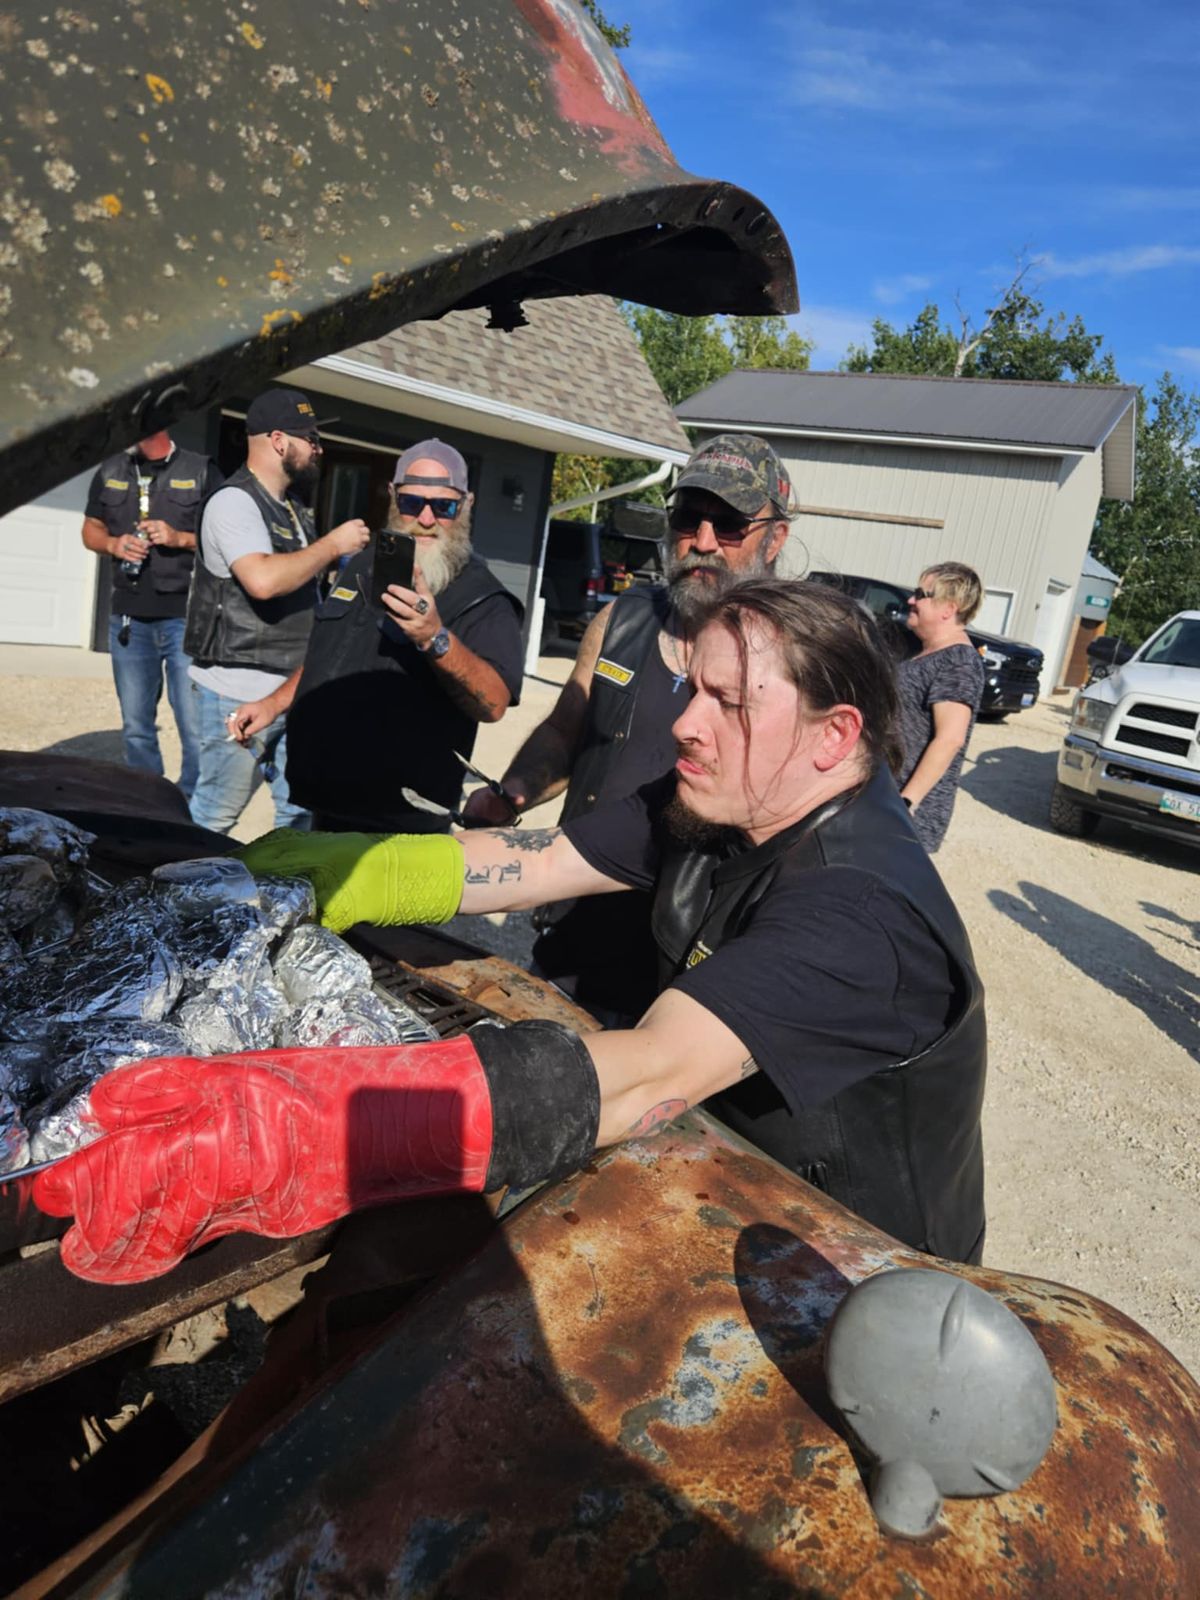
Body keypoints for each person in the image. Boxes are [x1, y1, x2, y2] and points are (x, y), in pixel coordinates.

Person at [35, 578, 987, 1285]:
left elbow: (646, 1073)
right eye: (692, 689)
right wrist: (357, 868)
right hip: (717, 1169)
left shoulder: (861, 913)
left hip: (849, 1261)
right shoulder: (727, 796)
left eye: (729, 703)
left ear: (833, 736)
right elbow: (542, 858)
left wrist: (307, 1124)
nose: (685, 725)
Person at [463, 433, 793, 1024]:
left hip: (685, 972)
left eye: (730, 525)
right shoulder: (622, 619)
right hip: (574, 932)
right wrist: (513, 793)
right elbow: (566, 731)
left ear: (776, 538)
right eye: (688, 518)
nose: (703, 542)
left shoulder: (791, 658)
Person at [228, 440, 524, 833]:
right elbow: (330, 655)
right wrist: (273, 704)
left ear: (466, 504)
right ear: (392, 496)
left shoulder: (483, 597)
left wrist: (435, 638)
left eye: (444, 506)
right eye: (412, 502)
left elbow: (494, 703)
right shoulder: (364, 565)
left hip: (402, 823)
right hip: (325, 801)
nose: (426, 518)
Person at [183, 389, 370, 834]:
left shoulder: (293, 507)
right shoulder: (233, 502)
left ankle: (281, 882)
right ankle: (178, 878)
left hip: (291, 689)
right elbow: (262, 581)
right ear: (280, 441)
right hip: (237, 691)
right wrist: (333, 545)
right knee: (213, 817)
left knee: (299, 814)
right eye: (312, 439)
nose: (319, 449)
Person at [80, 430, 220, 803]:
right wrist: (113, 543)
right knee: (136, 726)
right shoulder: (111, 469)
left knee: (193, 725)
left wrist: (180, 538)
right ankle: (147, 801)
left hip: (185, 619)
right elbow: (90, 529)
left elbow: (224, 535)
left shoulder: (201, 470)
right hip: (128, 620)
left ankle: (191, 804)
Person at [896, 563, 986, 853]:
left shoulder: (958, 662)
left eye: (921, 594)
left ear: (948, 608)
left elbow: (950, 739)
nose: (912, 599)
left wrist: (905, 803)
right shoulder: (923, 651)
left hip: (902, 817)